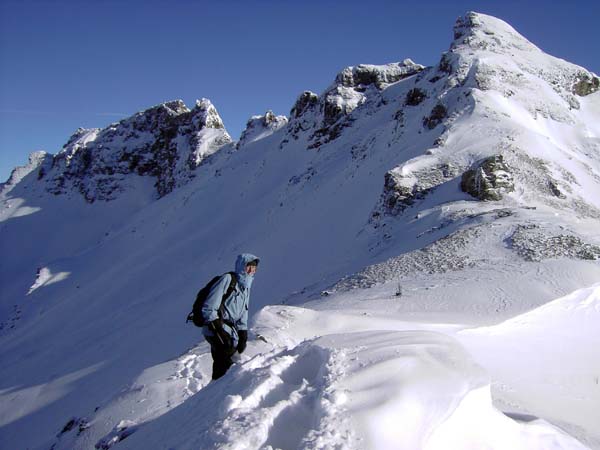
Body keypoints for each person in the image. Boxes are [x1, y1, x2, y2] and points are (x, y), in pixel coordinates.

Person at [202, 253, 259, 380]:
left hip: (230, 331)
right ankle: (219, 394)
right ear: (241, 266)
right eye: (248, 266)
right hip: (216, 327)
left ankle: (211, 395)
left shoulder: (246, 287)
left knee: (223, 367)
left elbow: (243, 310)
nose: (251, 270)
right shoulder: (228, 279)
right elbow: (210, 305)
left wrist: (243, 331)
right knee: (230, 365)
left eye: (254, 268)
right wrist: (217, 328)